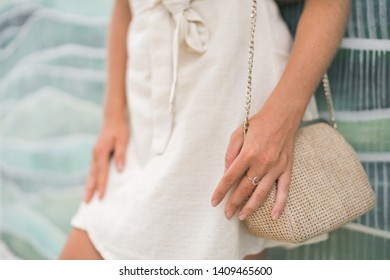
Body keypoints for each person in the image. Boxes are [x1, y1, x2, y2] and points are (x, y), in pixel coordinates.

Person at [59, 0, 351, 260]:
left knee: (214, 246)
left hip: (226, 92)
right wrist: (113, 114)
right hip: (145, 106)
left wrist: (280, 122)